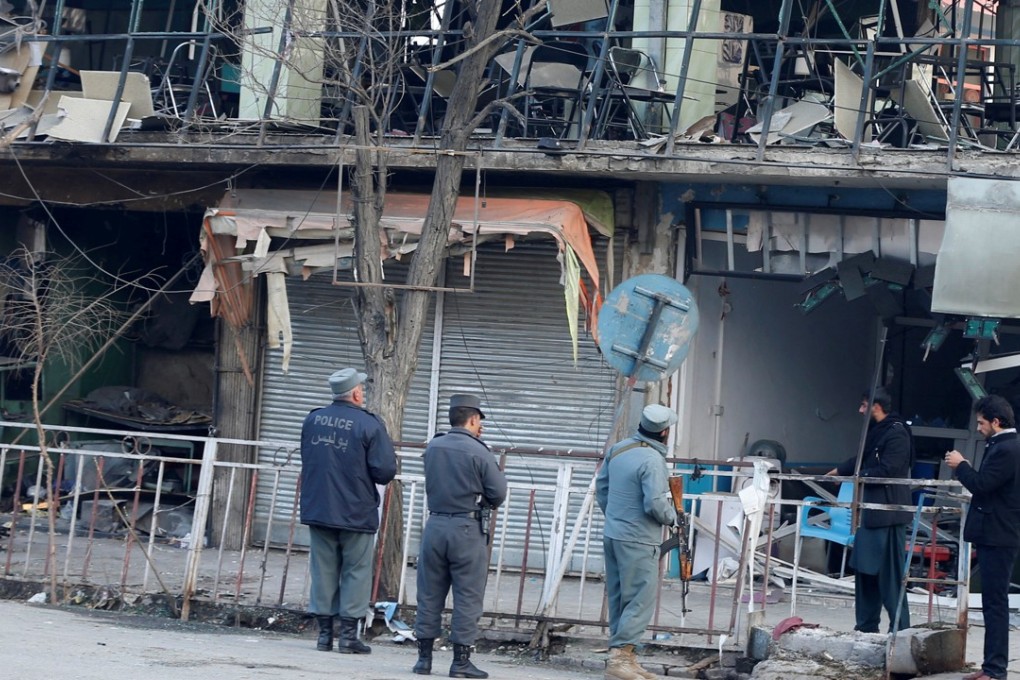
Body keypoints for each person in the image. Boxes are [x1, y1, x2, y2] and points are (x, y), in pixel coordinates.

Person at [300, 367, 397, 654]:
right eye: (362, 389)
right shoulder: (368, 424)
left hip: (318, 507)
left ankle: (323, 636)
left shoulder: (313, 420)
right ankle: (348, 638)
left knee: (323, 569)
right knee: (356, 571)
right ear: (355, 393)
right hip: (355, 511)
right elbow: (385, 471)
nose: (363, 393)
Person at [413, 394, 507, 679]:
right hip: (466, 530)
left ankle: (424, 660)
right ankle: (460, 662)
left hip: (435, 526)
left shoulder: (434, 446)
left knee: (429, 593)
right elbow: (498, 493)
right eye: (480, 423)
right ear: (473, 419)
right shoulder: (479, 452)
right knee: (467, 595)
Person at [595, 403, 678, 680]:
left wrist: (616, 517)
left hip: (614, 534)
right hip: (639, 539)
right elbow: (655, 503)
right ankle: (620, 660)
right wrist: (673, 517)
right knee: (640, 599)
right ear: (664, 432)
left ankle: (625, 658)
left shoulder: (618, 449)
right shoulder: (652, 460)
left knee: (620, 597)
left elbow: (602, 489)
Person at [826, 387, 913, 634]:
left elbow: (889, 469)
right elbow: (862, 458)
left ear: (876, 406)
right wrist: (841, 471)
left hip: (888, 514)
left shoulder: (897, 434)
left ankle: (900, 632)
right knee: (864, 570)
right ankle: (866, 627)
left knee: (890, 577)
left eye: (864, 405)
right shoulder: (877, 433)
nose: (860, 410)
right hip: (871, 515)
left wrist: (856, 476)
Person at [946, 395, 1020, 680]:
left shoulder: (1008, 449)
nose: (978, 428)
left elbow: (983, 484)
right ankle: (991, 666)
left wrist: (960, 464)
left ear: (996, 422)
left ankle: (996, 669)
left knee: (995, 604)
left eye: (981, 423)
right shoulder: (1003, 446)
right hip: (997, 533)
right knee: (993, 602)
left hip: (999, 535)